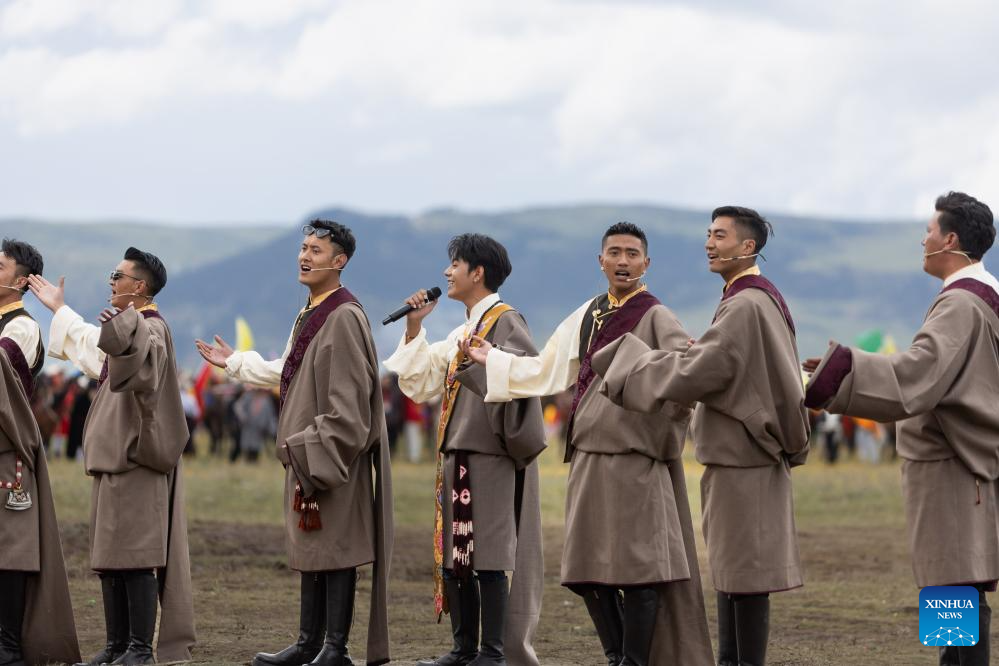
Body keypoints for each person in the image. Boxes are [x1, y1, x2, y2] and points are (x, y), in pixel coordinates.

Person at [462, 223, 713, 666]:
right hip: (587, 456)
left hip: (636, 458)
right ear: (601, 261)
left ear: (646, 263)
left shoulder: (656, 315)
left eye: (632, 254)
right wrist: (493, 358)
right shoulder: (590, 313)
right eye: (614, 252)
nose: (622, 261)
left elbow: (684, 375)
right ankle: (617, 655)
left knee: (639, 572)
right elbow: (547, 368)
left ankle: (632, 661)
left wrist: (652, 426)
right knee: (584, 572)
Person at [591, 209, 809, 666]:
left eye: (720, 236)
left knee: (745, 577)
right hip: (742, 459)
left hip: (746, 460)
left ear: (747, 247)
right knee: (736, 575)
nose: (709, 243)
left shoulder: (747, 303)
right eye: (708, 234)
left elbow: (702, 368)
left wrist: (629, 363)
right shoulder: (749, 299)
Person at [804, 191, 999, 666]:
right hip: (957, 466)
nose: (922, 239)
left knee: (953, 583)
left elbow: (917, 377)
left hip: (950, 466)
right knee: (955, 581)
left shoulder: (960, 303)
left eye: (929, 231)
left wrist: (841, 372)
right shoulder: (978, 297)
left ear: (949, 239)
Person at [197, 220, 392, 666]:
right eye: (303, 248)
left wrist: (317, 448)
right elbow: (287, 367)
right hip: (309, 451)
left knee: (337, 545)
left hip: (330, 454)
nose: (305, 257)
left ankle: (334, 648)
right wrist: (236, 363)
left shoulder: (343, 316)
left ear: (339, 262)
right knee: (316, 544)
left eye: (317, 251)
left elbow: (349, 405)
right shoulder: (312, 309)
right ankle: (309, 642)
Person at [384, 233, 546, 666]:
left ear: (477, 273)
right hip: (458, 452)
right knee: (460, 553)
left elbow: (527, 378)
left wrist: (490, 360)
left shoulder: (507, 320)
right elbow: (419, 381)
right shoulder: (466, 327)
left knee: (488, 553)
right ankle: (463, 649)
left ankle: (491, 652)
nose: (446, 272)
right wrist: (415, 325)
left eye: (454, 264)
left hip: (490, 452)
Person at [29, 247, 195, 665]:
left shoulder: (152, 329)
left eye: (118, 276)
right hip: (114, 461)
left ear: (139, 287)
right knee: (110, 556)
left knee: (136, 554)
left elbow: (137, 367)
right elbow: (94, 348)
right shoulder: (132, 327)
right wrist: (61, 310)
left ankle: (139, 648)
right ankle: (117, 645)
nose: (111, 282)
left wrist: (125, 332)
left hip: (136, 459)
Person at [0, 238, 80, 666]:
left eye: (0, 266)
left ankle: (9, 643)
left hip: (6, 448)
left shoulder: (23, 326)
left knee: (10, 548)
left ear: (21, 281)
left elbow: (3, 370)